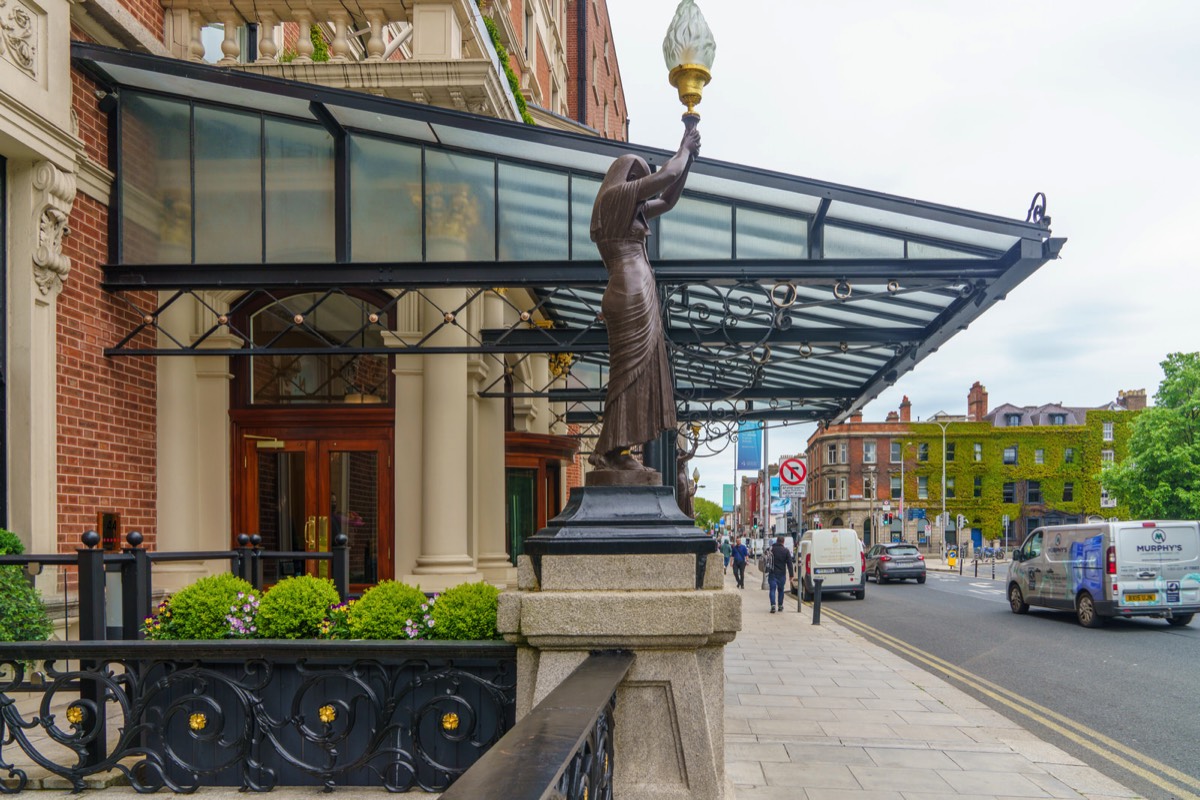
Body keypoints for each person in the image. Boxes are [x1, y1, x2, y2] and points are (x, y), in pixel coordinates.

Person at [587, 123, 701, 471]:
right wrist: (683, 146)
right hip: (628, 289)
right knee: (628, 371)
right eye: (638, 176)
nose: (641, 183)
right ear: (625, 176)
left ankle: (619, 448)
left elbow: (667, 198)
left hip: (638, 287)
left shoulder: (631, 210)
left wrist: (690, 159)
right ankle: (611, 449)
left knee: (640, 370)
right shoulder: (613, 200)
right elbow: (667, 175)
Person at [767, 535, 794, 614]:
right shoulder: (785, 551)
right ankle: (780, 605)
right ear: (783, 542)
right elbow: (789, 564)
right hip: (782, 574)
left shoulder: (771, 549)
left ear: (777, 541)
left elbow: (765, 558)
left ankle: (773, 605)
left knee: (772, 589)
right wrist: (791, 575)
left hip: (772, 573)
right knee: (781, 590)